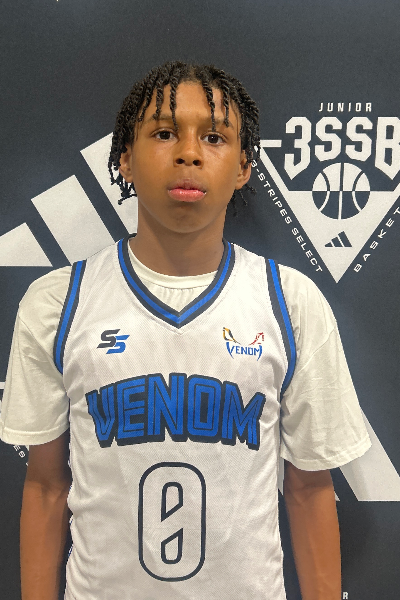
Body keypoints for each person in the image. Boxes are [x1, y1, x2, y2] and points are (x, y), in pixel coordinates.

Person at [0, 61, 371, 600]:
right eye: (164, 133)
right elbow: (46, 486)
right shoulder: (58, 303)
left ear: (243, 167)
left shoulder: (290, 302)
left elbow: (309, 489)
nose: (189, 153)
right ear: (125, 159)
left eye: (214, 137)